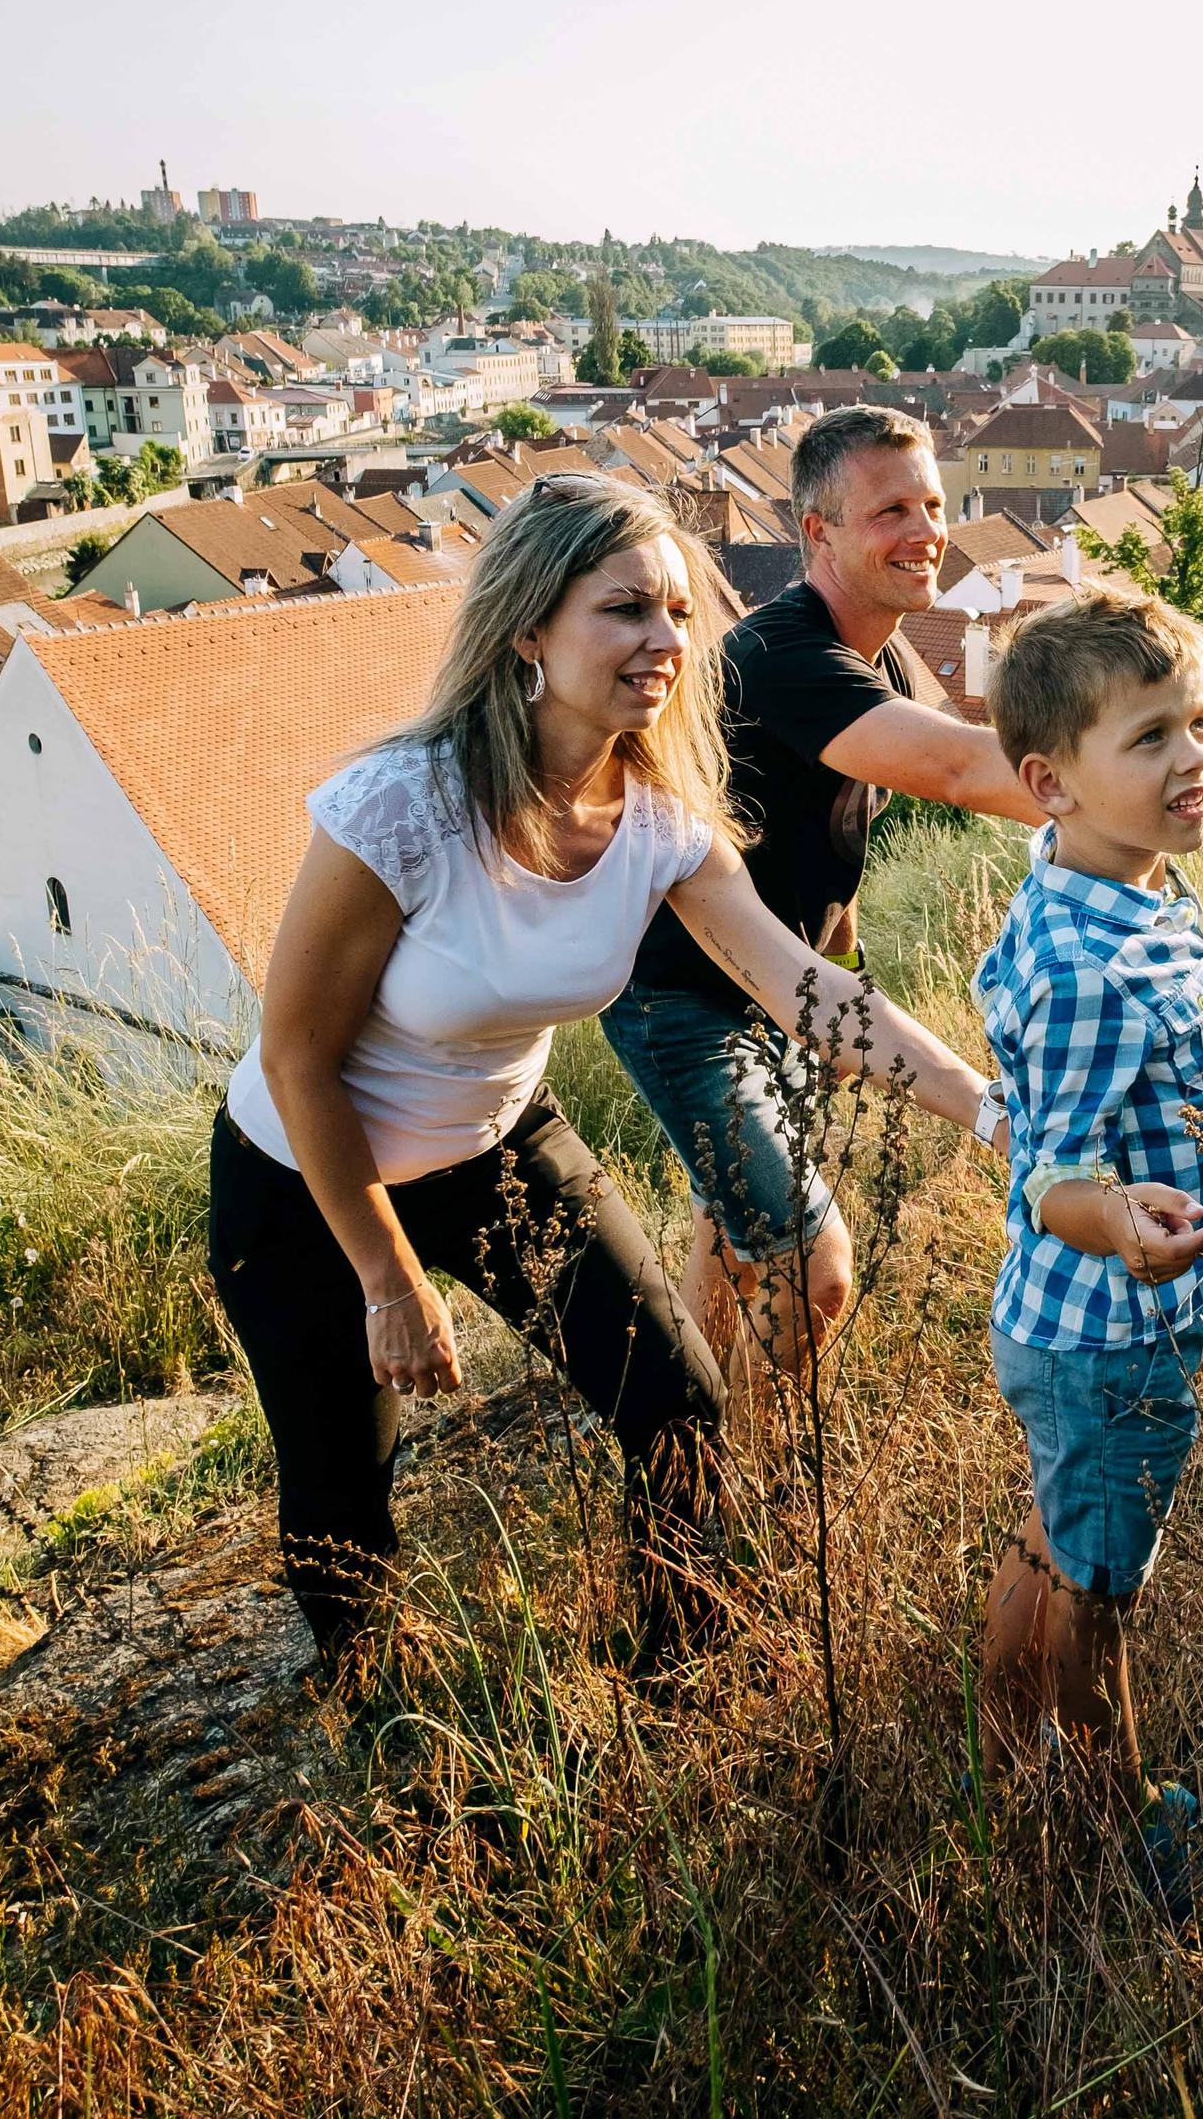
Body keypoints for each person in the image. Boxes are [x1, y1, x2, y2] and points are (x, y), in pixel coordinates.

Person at [215, 474, 1006, 1675]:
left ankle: (667, 1681)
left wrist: (990, 1108)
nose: (667, 643)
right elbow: (298, 1057)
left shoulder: (659, 819)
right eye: (626, 609)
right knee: (344, 1498)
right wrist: (386, 1278)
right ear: (531, 626)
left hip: (497, 1146)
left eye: (681, 613)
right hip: (306, 1179)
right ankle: (378, 1721)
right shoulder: (403, 803)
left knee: (677, 1405)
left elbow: (805, 989)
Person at [600, 404, 1203, 1390]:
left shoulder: (885, 652)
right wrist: (1180, 799)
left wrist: (847, 962)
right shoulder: (786, 656)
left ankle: (688, 1449)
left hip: (787, 988)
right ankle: (761, 1474)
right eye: (888, 511)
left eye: (934, 503)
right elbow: (957, 768)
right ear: (817, 532)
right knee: (810, 1268)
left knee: (731, 1235)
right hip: (686, 1003)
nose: (925, 531)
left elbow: (823, 844)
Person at [969, 586, 1203, 1910]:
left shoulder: (1106, 889)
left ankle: (998, 1749)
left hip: (1068, 1333)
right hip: (1107, 1332)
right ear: (1051, 781)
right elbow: (1056, 1178)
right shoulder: (1096, 960)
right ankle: (1125, 1826)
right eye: (1150, 738)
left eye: (1201, 723)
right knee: (1103, 1597)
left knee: (1056, 1534)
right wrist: (1124, 1227)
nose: (1197, 759)